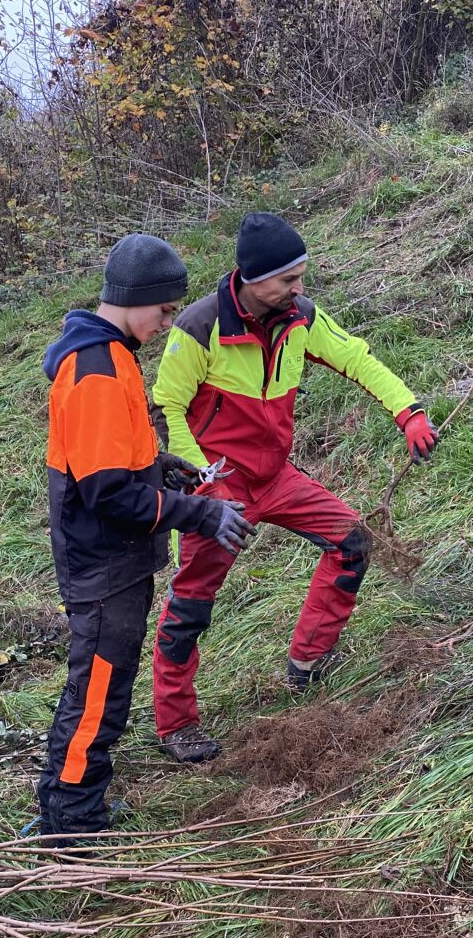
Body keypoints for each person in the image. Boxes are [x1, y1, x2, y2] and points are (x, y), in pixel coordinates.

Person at [150, 211, 438, 757]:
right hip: (216, 491)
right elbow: (167, 407)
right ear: (253, 278)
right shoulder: (198, 325)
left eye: (300, 277)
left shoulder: (300, 317)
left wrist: (409, 411)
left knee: (351, 542)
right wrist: (203, 489)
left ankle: (308, 663)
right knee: (192, 603)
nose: (298, 289)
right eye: (288, 279)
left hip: (276, 477)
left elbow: (357, 358)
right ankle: (175, 725)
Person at [37, 233, 255, 843]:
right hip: (104, 560)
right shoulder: (99, 369)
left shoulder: (110, 356)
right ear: (136, 299)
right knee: (99, 689)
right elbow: (108, 493)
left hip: (112, 557)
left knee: (100, 680)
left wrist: (157, 464)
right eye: (163, 311)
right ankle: (73, 821)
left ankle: (65, 797)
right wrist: (199, 514)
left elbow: (104, 461)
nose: (166, 323)